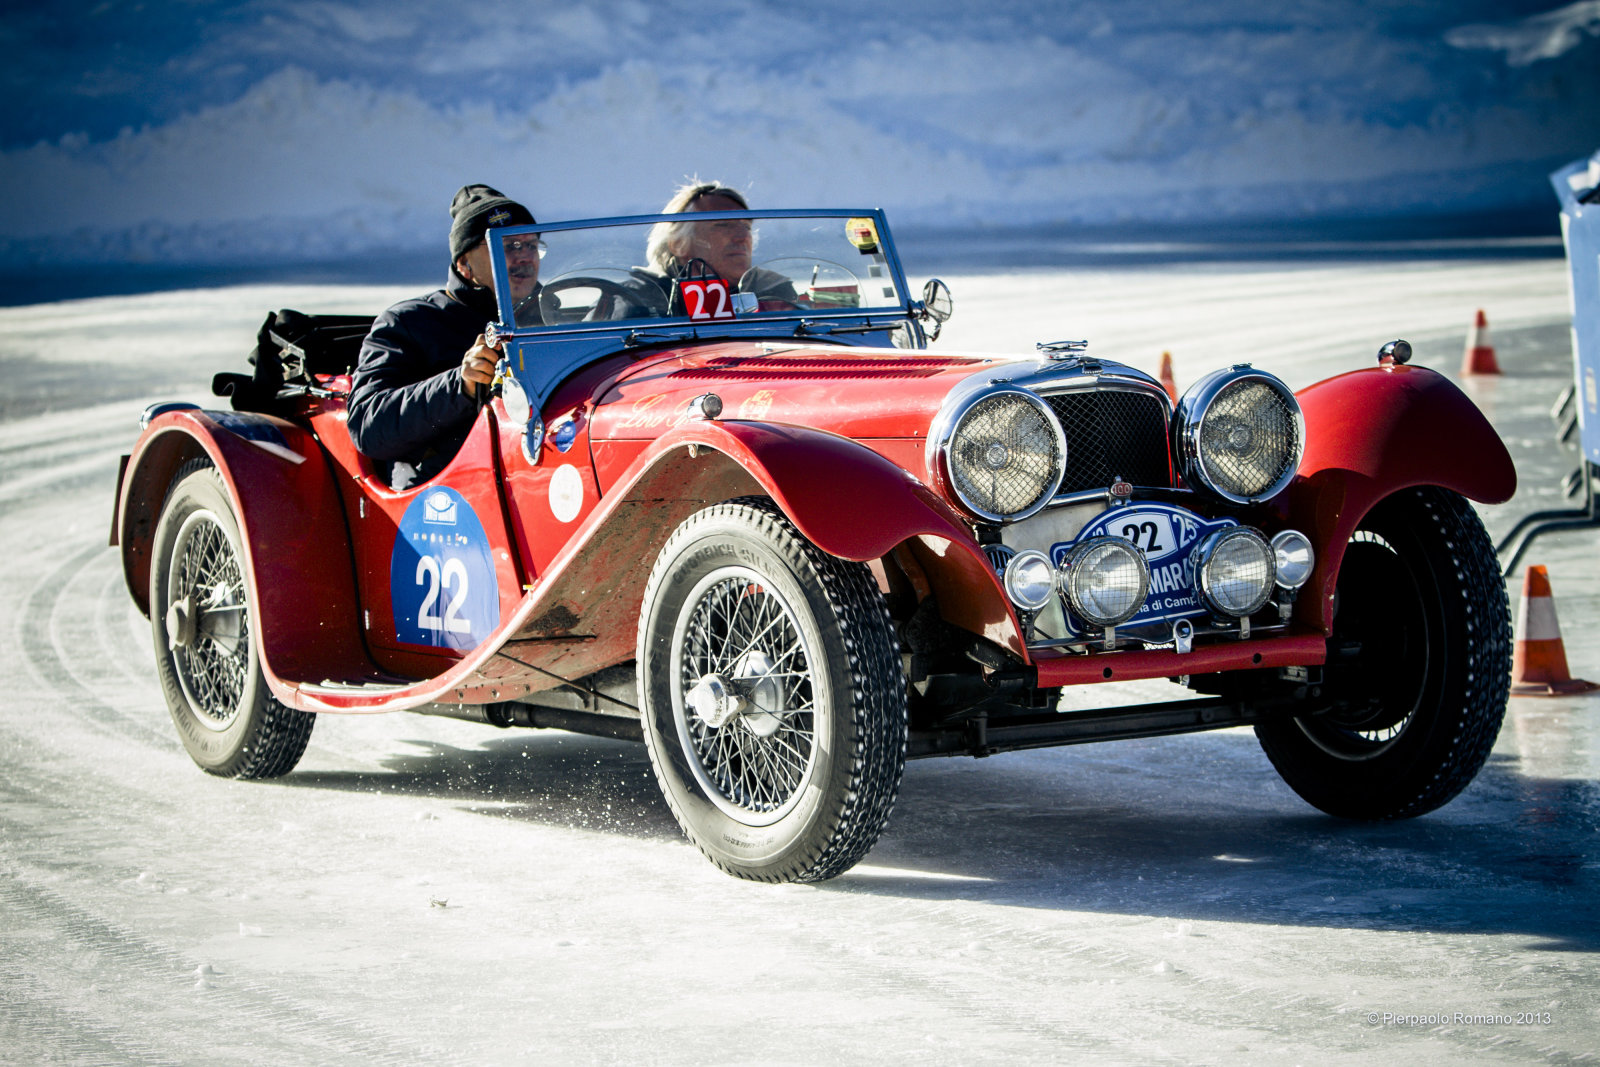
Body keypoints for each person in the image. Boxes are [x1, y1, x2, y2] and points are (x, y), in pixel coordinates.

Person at [347, 184, 539, 489]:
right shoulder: (410, 322)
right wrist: (459, 385)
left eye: (531, 245)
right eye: (508, 246)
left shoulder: (553, 318)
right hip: (445, 497)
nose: (525, 257)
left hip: (536, 476)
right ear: (464, 264)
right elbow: (367, 427)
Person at [637, 181, 802, 311]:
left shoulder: (772, 290)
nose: (742, 237)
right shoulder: (643, 300)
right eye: (723, 225)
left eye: (746, 227)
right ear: (678, 244)